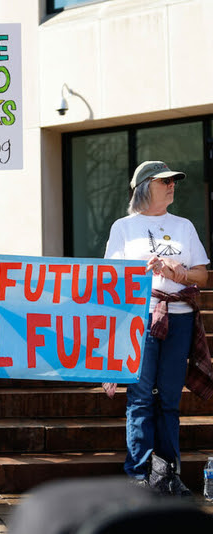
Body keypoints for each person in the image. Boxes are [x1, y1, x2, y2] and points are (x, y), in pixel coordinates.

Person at [104, 161, 210, 495]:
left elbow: (202, 275)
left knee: (168, 398)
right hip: (140, 317)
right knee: (139, 397)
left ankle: (167, 472)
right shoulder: (123, 227)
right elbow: (111, 277)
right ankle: (137, 473)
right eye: (165, 180)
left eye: (174, 181)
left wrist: (180, 273)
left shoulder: (184, 225)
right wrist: (141, 273)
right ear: (144, 186)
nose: (172, 185)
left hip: (178, 317)